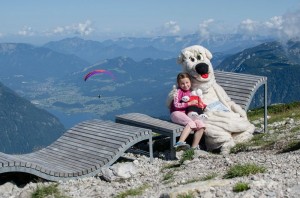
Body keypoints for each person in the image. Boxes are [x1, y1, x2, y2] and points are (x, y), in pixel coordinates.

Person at [169, 72, 205, 150]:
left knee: (201, 125)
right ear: (179, 84)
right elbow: (176, 105)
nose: (185, 85)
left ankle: (194, 147)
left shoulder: (191, 93)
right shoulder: (178, 92)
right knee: (191, 123)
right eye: (182, 83)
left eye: (187, 82)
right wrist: (189, 103)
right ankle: (180, 142)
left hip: (186, 115)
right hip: (176, 113)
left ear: (190, 82)